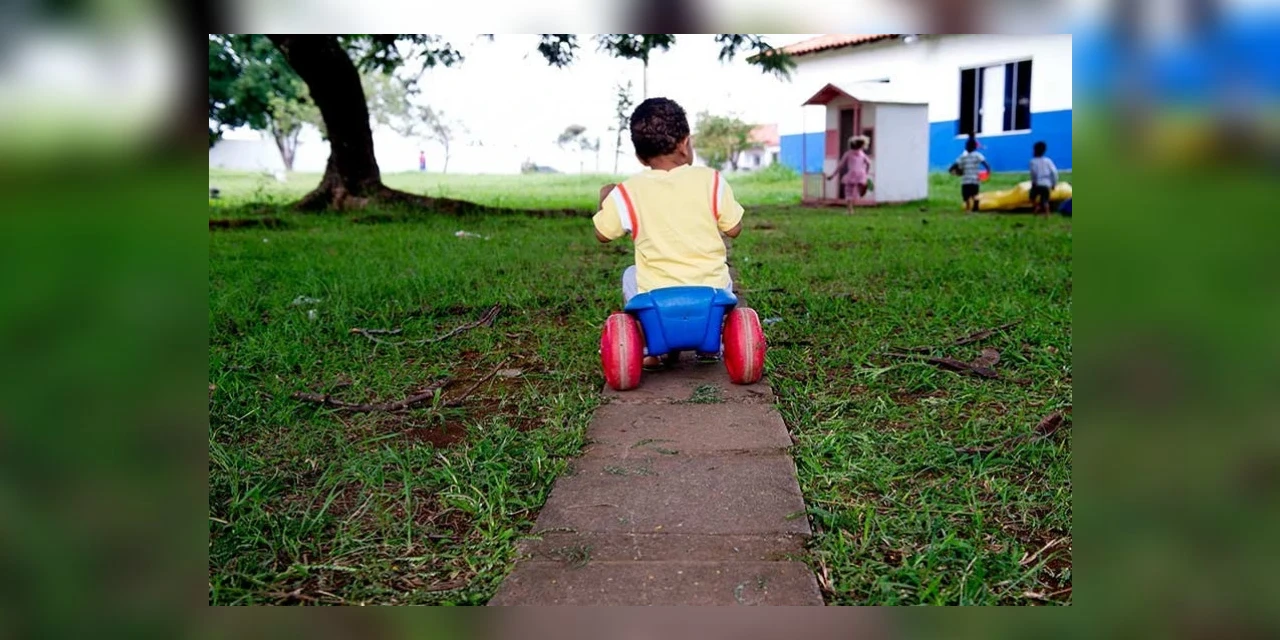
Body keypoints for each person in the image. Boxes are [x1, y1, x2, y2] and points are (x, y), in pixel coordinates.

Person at [593, 97, 744, 370]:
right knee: (723, 272)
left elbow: (603, 233)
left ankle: (652, 348)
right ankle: (711, 340)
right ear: (685, 144)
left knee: (630, 275)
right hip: (710, 293)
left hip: (656, 298)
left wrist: (606, 200)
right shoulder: (712, 180)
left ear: (640, 156)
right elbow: (734, 229)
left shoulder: (628, 191)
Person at [825, 136, 872, 214]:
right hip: (861, 175)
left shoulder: (848, 154)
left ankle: (850, 210)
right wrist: (866, 173)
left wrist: (832, 175)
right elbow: (869, 163)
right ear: (861, 146)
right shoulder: (862, 154)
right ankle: (862, 186)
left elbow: (840, 165)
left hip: (852, 174)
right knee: (858, 188)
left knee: (848, 192)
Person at [949, 137, 992, 210]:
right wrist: (988, 171)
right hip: (975, 180)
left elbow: (953, 166)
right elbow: (985, 163)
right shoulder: (978, 155)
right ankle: (975, 208)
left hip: (966, 181)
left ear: (966, 147)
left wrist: (955, 172)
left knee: (966, 196)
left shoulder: (963, 157)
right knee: (975, 195)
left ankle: (968, 208)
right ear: (975, 147)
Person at [1029, 141, 1060, 215]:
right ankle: (1047, 214)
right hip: (1047, 185)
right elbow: (1054, 173)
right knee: (1045, 200)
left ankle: (1037, 207)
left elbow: (1033, 174)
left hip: (1037, 185)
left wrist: (1033, 183)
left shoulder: (1032, 162)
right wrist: (1054, 184)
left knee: (1031, 197)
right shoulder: (1048, 161)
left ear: (1034, 151)